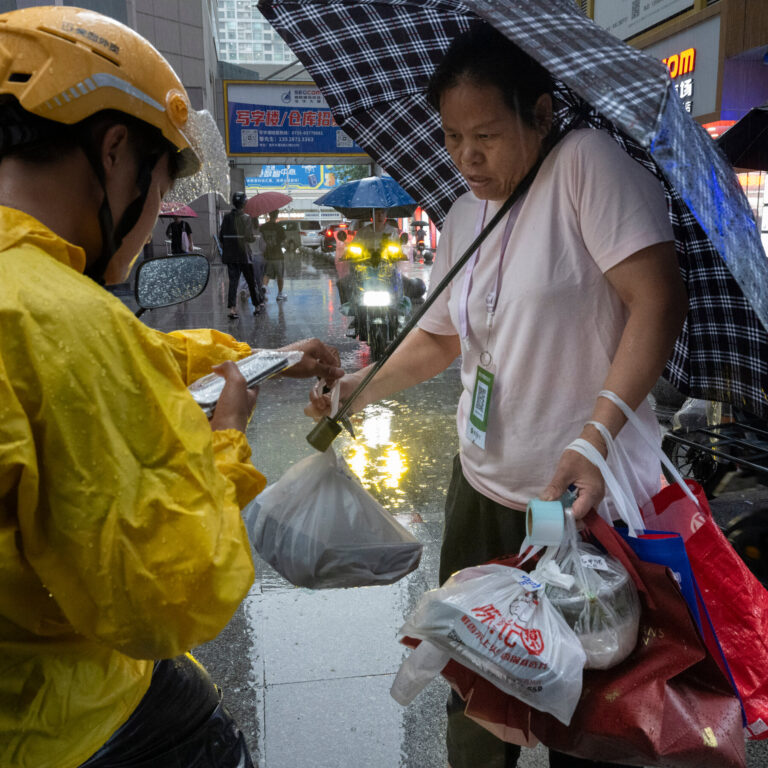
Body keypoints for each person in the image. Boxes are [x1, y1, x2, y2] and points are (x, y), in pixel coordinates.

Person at [308, 24, 688, 768]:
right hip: (481, 486)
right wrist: (359, 388)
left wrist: (594, 437)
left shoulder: (587, 167)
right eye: (452, 137)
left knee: (584, 694)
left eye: (486, 134)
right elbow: (444, 338)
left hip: (572, 495)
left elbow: (658, 301)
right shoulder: (465, 214)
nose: (466, 157)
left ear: (541, 114)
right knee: (476, 681)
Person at [0, 7, 342, 768]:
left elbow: (124, 361)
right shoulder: (64, 314)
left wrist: (264, 358)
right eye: (159, 182)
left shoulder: (36, 301)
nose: (155, 206)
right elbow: (169, 599)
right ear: (116, 150)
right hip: (70, 720)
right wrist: (223, 444)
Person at [220, 191, 264, 318]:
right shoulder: (246, 218)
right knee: (251, 281)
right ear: (244, 203)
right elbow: (250, 238)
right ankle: (257, 306)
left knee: (233, 282)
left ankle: (232, 310)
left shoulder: (227, 217)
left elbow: (221, 236)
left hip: (230, 256)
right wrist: (252, 238)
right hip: (244, 255)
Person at [260, 209, 287, 300]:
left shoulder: (263, 227)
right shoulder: (279, 228)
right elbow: (283, 240)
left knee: (267, 274)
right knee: (280, 276)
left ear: (269, 214)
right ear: (276, 216)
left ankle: (264, 287)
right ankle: (279, 294)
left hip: (267, 255)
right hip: (278, 255)